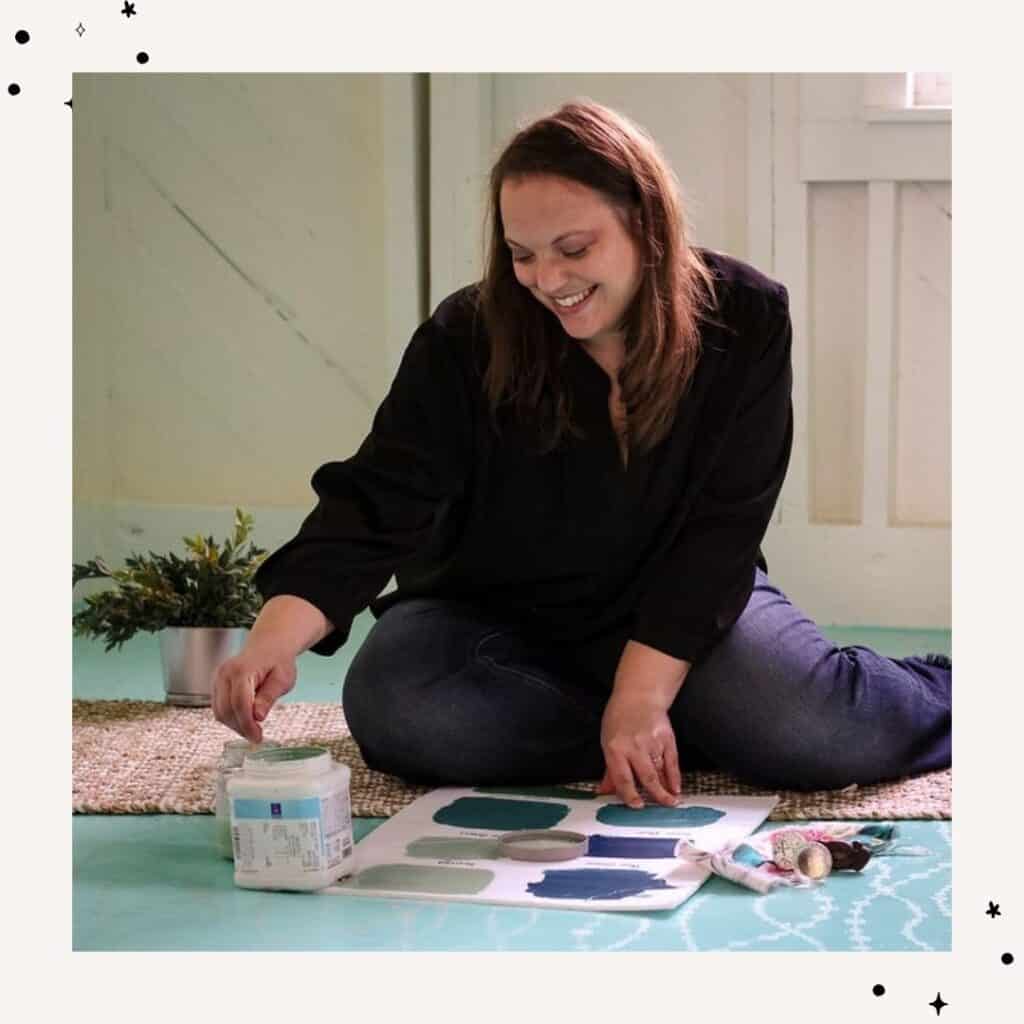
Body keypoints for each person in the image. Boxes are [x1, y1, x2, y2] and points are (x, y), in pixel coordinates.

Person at [212, 99, 951, 810]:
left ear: (647, 225)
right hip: (488, 621)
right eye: (521, 254)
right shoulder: (465, 336)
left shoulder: (747, 318)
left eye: (574, 248)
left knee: (813, 733)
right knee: (399, 706)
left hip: (680, 608)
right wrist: (273, 638)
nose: (548, 280)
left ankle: (672, 711)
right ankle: (673, 727)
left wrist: (644, 686)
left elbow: (722, 529)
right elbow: (379, 497)